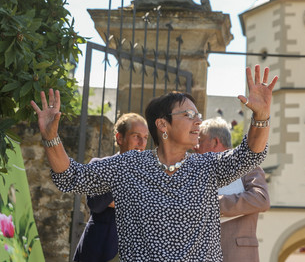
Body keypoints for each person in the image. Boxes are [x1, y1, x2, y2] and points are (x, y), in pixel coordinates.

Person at [31, 65, 278, 261]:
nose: (197, 122)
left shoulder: (207, 167)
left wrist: (262, 117)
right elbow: (71, 177)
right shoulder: (128, 166)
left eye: (198, 116)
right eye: (188, 115)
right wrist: (51, 137)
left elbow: (250, 154)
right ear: (163, 125)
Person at [73, 113, 149, 262]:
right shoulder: (99, 165)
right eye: (136, 136)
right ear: (120, 138)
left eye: (145, 137)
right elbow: (96, 204)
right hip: (97, 251)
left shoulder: (152, 174)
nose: (142, 142)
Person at [196, 117, 270, 262]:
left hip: (237, 254)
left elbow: (261, 199)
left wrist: (214, 204)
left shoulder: (248, 166)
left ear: (215, 142)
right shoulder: (196, 170)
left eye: (200, 141)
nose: (195, 147)